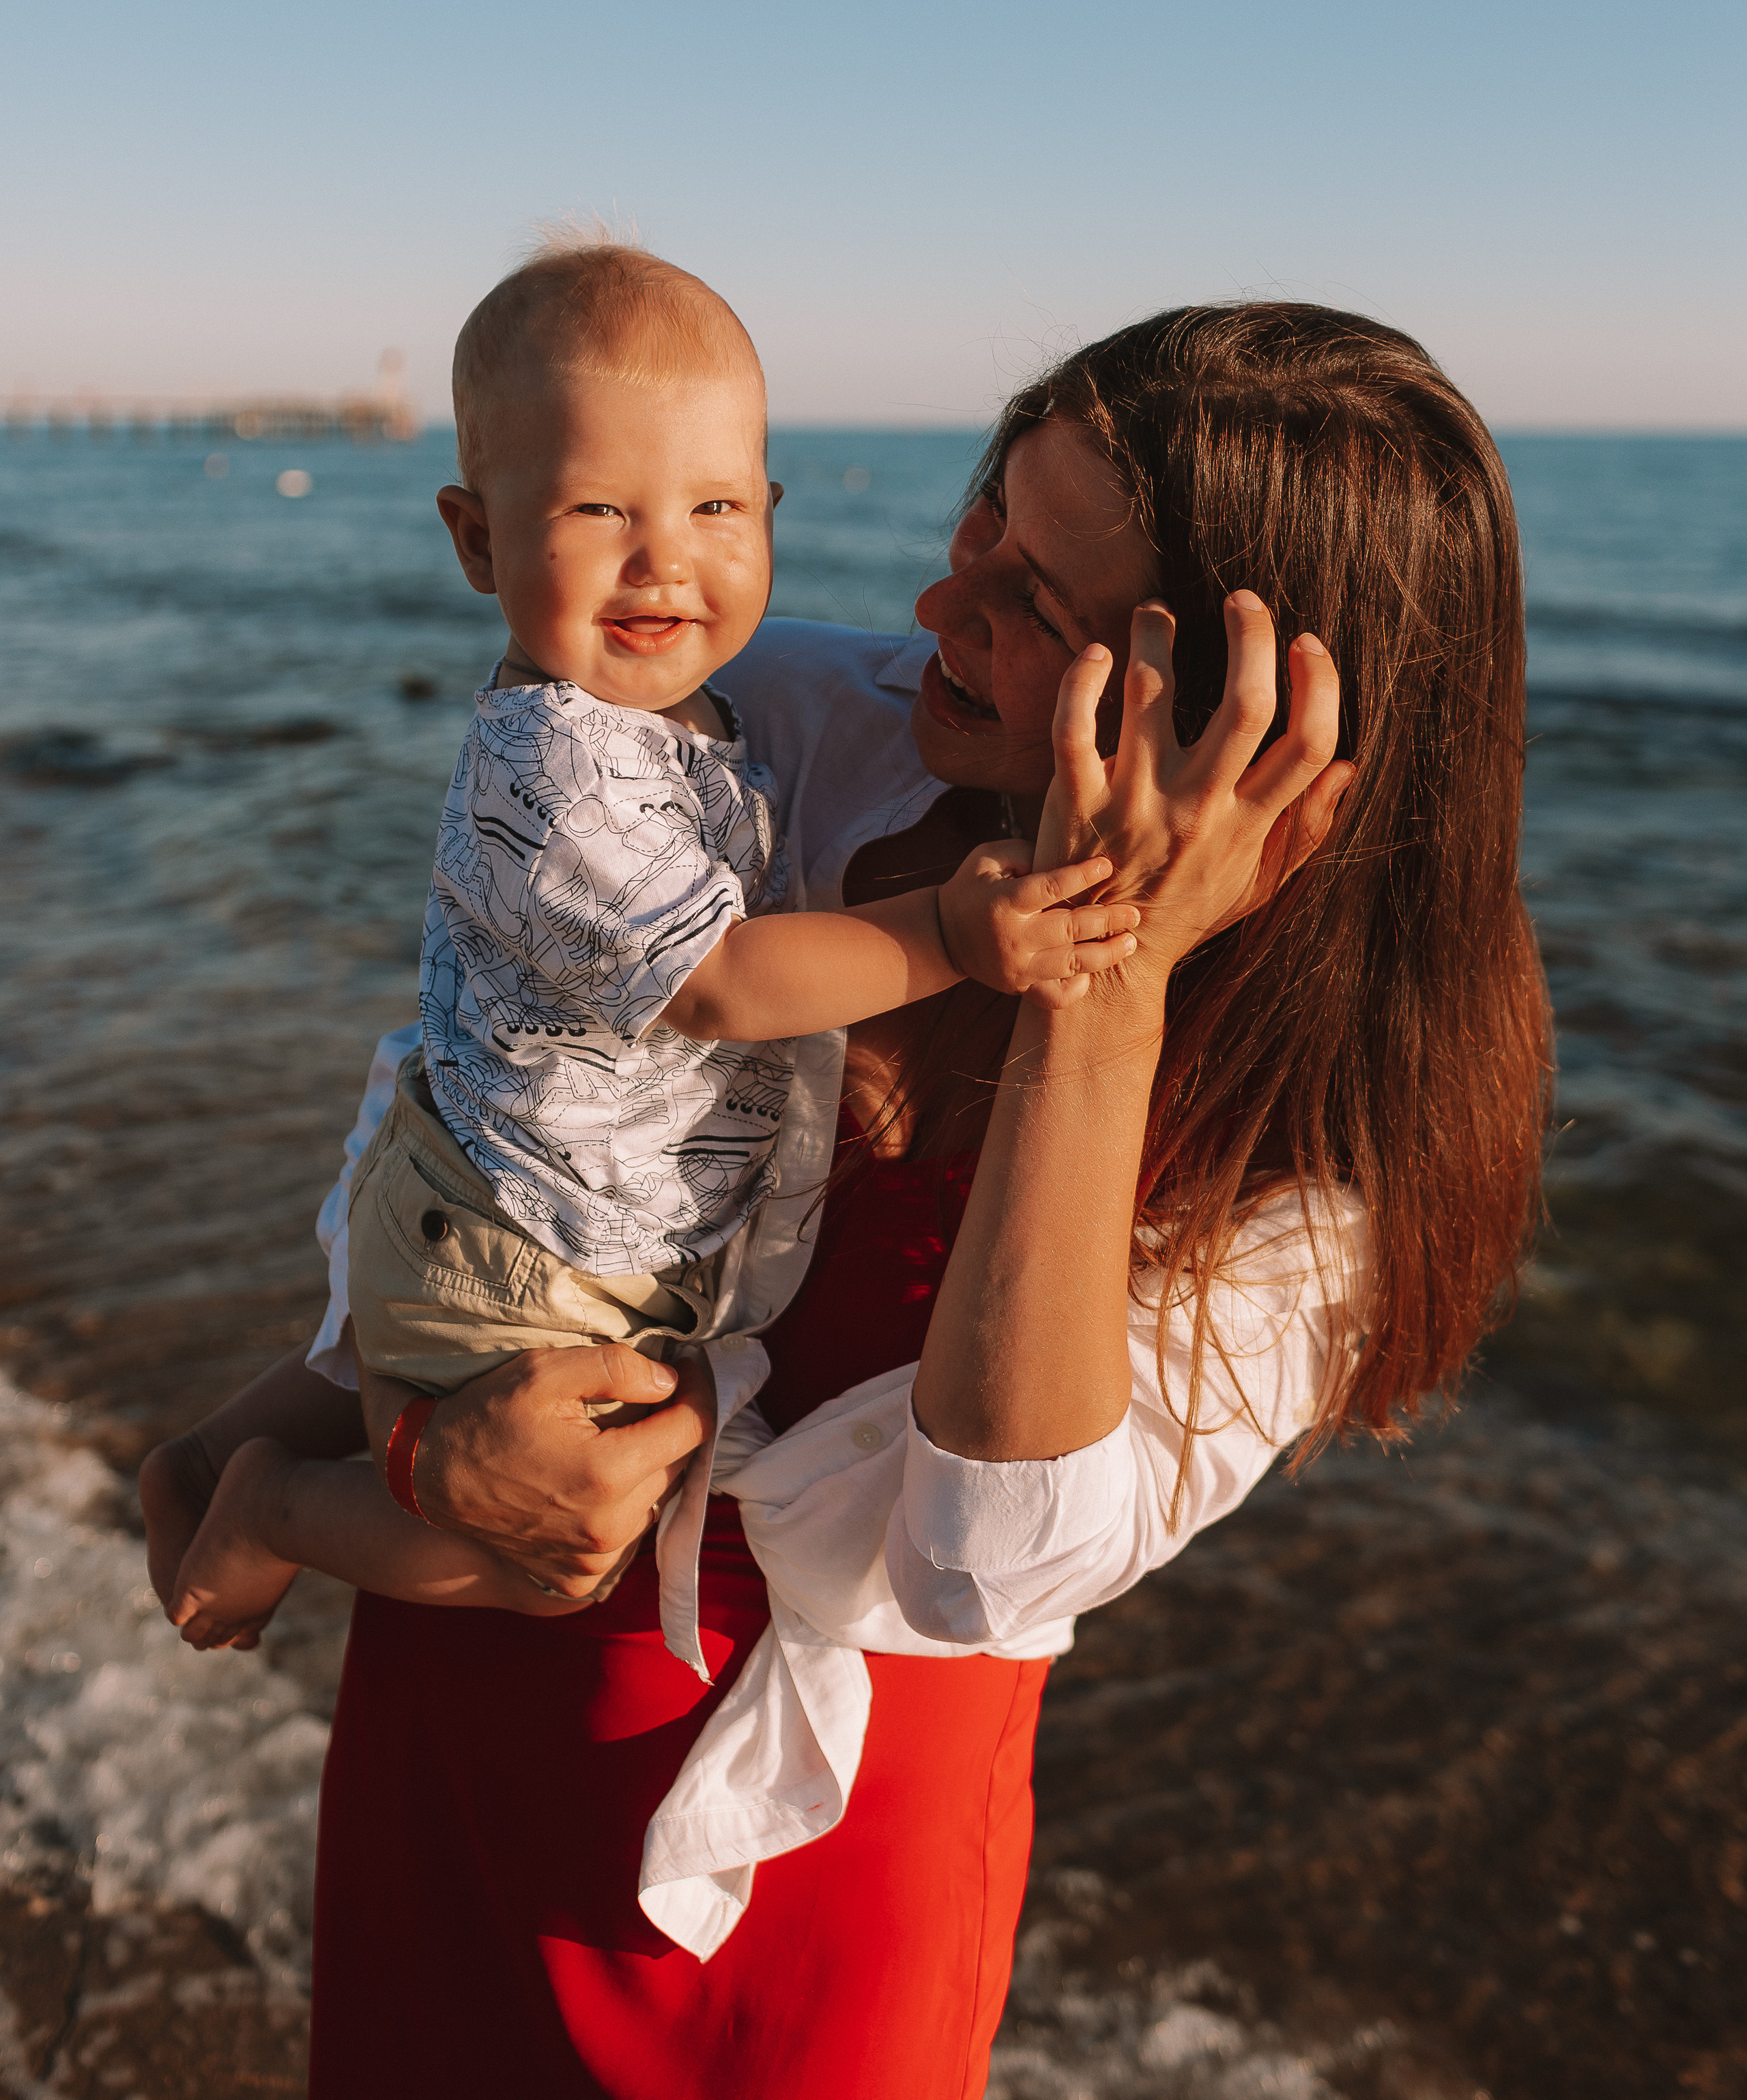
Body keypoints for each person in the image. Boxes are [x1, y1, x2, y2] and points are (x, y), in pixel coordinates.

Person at [141, 300, 1548, 2100]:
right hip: (466, 1690)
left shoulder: (1334, 1150)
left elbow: (989, 1562)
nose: (942, 614)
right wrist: (389, 1434)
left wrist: (1102, 989)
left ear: (1233, 722)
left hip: (809, 1865)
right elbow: (489, 1055)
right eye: (984, 527)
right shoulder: (790, 722)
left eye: (1045, 609)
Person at [152, 240, 1133, 1648]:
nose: (664, 557)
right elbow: (722, 982)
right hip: (518, 1251)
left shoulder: (685, 721)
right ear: (477, 539)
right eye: (599, 507)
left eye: (717, 504)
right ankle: (266, 1511)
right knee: (550, 1561)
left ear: (772, 511)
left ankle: (234, 1470)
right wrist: (949, 936)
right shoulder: (558, 765)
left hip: (540, 1222)